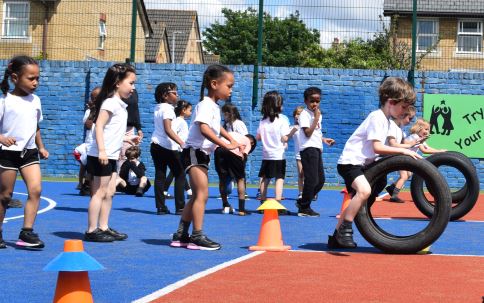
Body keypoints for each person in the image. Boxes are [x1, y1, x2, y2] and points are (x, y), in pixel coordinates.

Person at [331, 77, 421, 249]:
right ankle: (346, 228)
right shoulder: (377, 117)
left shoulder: (386, 121)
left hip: (363, 164)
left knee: (370, 189)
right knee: (364, 191)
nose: (404, 112)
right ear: (391, 102)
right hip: (350, 163)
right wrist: (403, 150)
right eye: (403, 107)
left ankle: (336, 236)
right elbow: (378, 147)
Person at [170, 64, 238, 251]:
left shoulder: (213, 107)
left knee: (196, 197)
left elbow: (216, 127)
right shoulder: (205, 105)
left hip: (200, 155)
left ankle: (181, 234)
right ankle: (197, 236)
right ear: (214, 84)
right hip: (194, 152)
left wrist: (232, 138)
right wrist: (226, 145)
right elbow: (204, 128)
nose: (231, 90)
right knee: (202, 194)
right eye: (229, 86)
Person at [84, 63, 139, 242]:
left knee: (109, 193)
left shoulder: (120, 105)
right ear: (117, 82)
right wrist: (101, 151)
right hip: (102, 156)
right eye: (131, 83)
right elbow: (98, 126)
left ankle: (104, 226)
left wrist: (126, 139)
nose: (133, 87)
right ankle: (91, 230)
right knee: (99, 192)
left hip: (111, 155)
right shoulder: (109, 103)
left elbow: (110, 131)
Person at [0, 55, 49, 249]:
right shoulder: (5, 100)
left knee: (36, 190)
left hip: (29, 152)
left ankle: (26, 232)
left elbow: (35, 125)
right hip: (7, 153)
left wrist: (41, 146)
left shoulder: (35, 100)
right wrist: (2, 138)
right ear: (14, 77)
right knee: (5, 195)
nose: (35, 82)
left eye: (37, 78)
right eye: (31, 78)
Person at [386, 117, 446, 202]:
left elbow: (428, 147)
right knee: (404, 176)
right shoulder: (415, 137)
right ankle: (394, 196)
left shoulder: (420, 138)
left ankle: (391, 188)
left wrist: (439, 151)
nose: (427, 132)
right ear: (419, 129)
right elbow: (424, 150)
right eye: (426, 129)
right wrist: (438, 152)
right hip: (401, 157)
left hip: (406, 158)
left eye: (428, 130)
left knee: (409, 174)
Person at [296, 87, 335, 217]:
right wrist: (316, 119)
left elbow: (315, 133)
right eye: (312, 101)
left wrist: (324, 139)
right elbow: (307, 133)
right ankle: (304, 208)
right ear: (306, 101)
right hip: (308, 149)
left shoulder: (317, 114)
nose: (315, 104)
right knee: (312, 180)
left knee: (321, 180)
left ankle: (302, 202)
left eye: (317, 101)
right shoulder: (305, 115)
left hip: (317, 148)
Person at [150, 83, 186, 215]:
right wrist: (181, 142)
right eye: (174, 93)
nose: (177, 95)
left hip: (155, 145)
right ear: (165, 96)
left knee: (160, 176)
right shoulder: (168, 109)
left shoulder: (158, 107)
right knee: (180, 174)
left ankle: (161, 207)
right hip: (167, 147)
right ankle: (180, 207)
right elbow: (168, 129)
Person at [256, 91, 292, 211]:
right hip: (278, 155)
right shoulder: (282, 120)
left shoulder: (263, 121)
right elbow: (285, 136)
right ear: (277, 105)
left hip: (266, 155)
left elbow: (258, 137)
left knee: (265, 179)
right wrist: (290, 134)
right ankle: (277, 202)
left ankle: (262, 201)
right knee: (279, 179)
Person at [215, 133, 256, 216]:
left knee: (222, 179)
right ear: (252, 143)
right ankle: (241, 210)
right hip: (233, 151)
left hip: (219, 150)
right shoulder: (248, 142)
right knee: (240, 179)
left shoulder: (234, 134)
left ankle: (225, 204)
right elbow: (243, 156)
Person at [163, 100, 193, 200]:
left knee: (177, 172)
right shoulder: (180, 122)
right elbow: (175, 134)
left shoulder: (177, 121)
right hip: (179, 150)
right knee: (178, 172)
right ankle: (165, 190)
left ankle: (188, 191)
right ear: (183, 110)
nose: (191, 112)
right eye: (190, 110)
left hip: (177, 149)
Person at [75, 86, 100, 196]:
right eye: (92, 97)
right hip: (90, 143)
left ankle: (90, 185)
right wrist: (92, 110)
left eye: (96, 98)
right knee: (85, 165)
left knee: (94, 167)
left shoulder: (106, 110)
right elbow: (88, 125)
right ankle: (82, 184)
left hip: (101, 143)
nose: (93, 100)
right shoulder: (89, 111)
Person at [291, 106, 305, 200]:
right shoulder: (292, 128)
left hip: (309, 154)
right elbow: (285, 136)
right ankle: (300, 192)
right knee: (301, 174)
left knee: (309, 174)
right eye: (296, 114)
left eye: (300, 114)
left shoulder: (306, 127)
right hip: (299, 155)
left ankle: (311, 191)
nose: (297, 116)